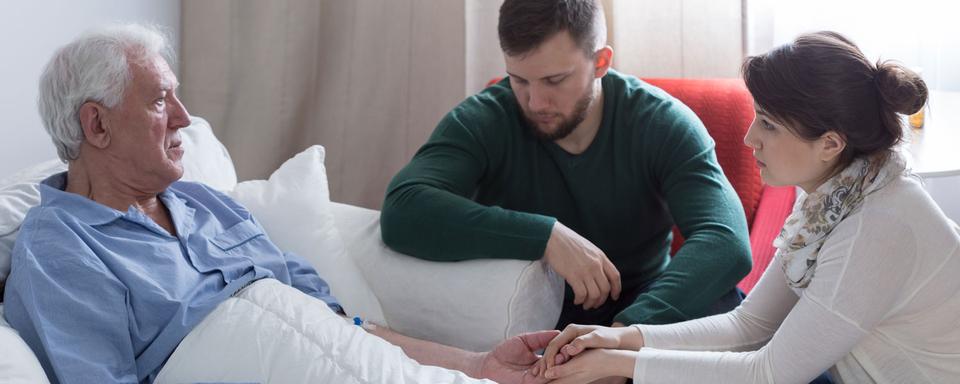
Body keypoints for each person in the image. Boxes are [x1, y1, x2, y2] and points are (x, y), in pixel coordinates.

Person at [1, 24, 557, 384]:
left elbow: (340, 330)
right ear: (96, 124)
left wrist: (476, 364)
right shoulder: (59, 248)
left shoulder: (206, 205)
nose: (183, 118)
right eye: (159, 100)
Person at [534, 31, 960, 384]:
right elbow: (750, 325)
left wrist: (619, 364)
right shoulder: (835, 194)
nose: (749, 138)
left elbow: (770, 372)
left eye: (769, 124)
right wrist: (620, 341)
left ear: (831, 144)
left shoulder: (878, 226)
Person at [381, 0, 751, 333]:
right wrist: (545, 237)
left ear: (601, 62)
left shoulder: (662, 122)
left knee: (725, 304)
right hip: (520, 311)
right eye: (519, 79)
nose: (535, 101)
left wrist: (624, 334)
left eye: (555, 80)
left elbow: (727, 241)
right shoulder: (484, 118)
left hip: (642, 308)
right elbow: (403, 208)